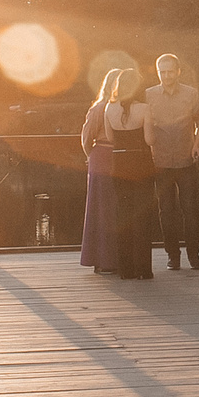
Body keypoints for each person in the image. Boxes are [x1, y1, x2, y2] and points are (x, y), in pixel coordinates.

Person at [144, 54, 199, 270]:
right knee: (166, 211)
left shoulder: (191, 94)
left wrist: (197, 143)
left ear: (178, 71)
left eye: (170, 71)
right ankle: (173, 256)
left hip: (186, 159)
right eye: (163, 72)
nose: (167, 76)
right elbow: (144, 124)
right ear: (158, 72)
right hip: (160, 161)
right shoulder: (148, 95)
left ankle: (194, 255)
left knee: (191, 210)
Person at [106, 69, 156, 279]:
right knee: (143, 217)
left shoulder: (109, 108)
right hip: (141, 165)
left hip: (119, 165)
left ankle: (125, 269)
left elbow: (110, 138)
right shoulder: (144, 109)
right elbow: (150, 140)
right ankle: (143, 270)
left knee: (123, 216)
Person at [79, 69, 125, 274]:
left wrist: (92, 154)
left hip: (113, 159)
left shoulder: (122, 107)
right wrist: (93, 156)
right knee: (103, 210)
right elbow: (87, 139)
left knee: (111, 209)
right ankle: (106, 260)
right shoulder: (99, 108)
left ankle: (110, 260)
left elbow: (86, 140)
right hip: (104, 159)